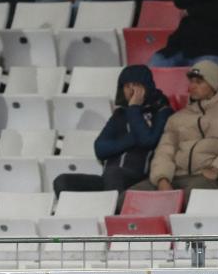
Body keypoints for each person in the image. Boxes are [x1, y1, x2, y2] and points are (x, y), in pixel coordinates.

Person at [52, 65, 173, 204]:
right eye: (127, 86)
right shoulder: (120, 114)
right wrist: (134, 137)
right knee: (63, 181)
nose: (131, 90)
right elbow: (100, 149)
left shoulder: (162, 112)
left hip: (138, 179)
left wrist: (134, 108)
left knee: (114, 173)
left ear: (147, 86)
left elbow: (148, 141)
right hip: (109, 179)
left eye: (136, 85)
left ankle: (114, 216)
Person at [133, 61, 218, 194]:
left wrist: (216, 169)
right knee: (128, 197)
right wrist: (162, 179)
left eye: (199, 82)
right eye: (191, 82)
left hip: (212, 178)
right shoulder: (176, 118)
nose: (192, 86)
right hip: (176, 178)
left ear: (214, 84)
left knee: (188, 198)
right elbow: (165, 151)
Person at [149, 0, 218, 68]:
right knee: (152, 69)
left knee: (204, 76)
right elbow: (180, 0)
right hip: (179, 49)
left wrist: (192, 11)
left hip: (217, 50)